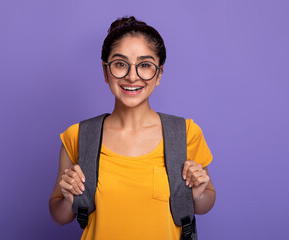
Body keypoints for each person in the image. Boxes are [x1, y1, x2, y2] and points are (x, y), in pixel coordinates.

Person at [49, 16, 216, 239]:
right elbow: (59, 215)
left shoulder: (185, 133)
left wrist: (197, 194)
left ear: (159, 73)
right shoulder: (78, 136)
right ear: (105, 71)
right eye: (120, 64)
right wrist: (70, 199)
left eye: (145, 65)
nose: (132, 76)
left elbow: (204, 204)